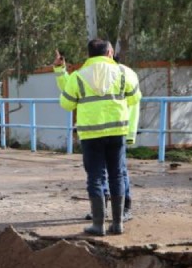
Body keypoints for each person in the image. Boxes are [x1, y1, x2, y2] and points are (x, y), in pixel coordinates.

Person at [55, 39, 141, 236]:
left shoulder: (78, 76)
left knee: (95, 176)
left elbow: (66, 104)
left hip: (91, 134)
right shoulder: (124, 72)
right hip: (117, 132)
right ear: (110, 52)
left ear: (89, 55)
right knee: (117, 174)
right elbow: (135, 98)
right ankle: (118, 224)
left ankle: (98, 225)